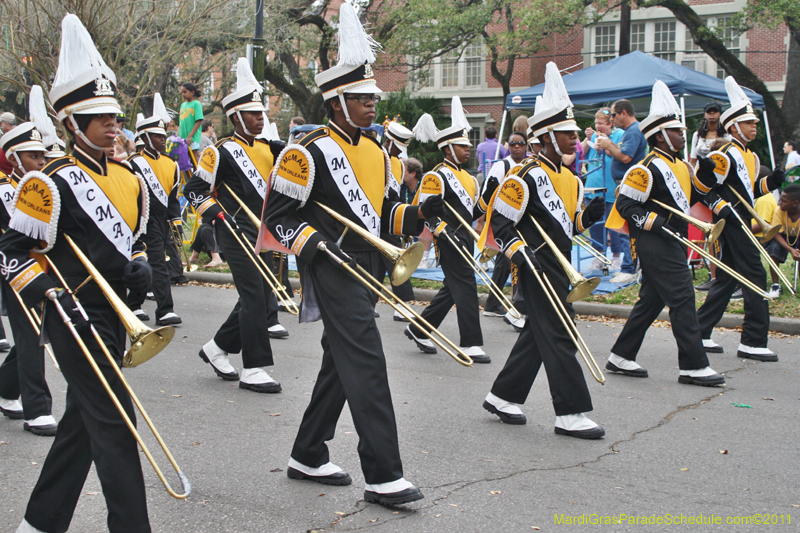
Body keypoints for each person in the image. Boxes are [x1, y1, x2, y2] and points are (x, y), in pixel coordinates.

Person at [262, 2, 441, 505]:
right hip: (331, 264)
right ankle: (383, 474)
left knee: (340, 362)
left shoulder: (380, 152)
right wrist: (313, 243)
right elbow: (278, 218)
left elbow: (384, 214)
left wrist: (420, 215)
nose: (372, 105)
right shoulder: (306, 151)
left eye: (372, 97)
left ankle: (307, 452)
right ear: (337, 102)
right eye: (362, 98)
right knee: (366, 360)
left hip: (368, 264)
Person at [5, 15, 154, 532]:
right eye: (99, 118)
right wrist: (49, 291)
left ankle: (40, 522)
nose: (112, 126)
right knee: (115, 421)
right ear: (72, 124)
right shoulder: (49, 182)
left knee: (83, 424)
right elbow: (12, 254)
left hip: (113, 315)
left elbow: (132, 241)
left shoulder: (130, 179)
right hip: (71, 315)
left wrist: (140, 266)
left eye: (114, 116)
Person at [480, 62, 606, 438]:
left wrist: (589, 217)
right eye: (567, 133)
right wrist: (518, 252)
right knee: (559, 333)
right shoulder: (524, 175)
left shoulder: (570, 178)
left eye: (574, 133)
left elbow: (567, 226)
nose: (574, 138)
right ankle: (570, 412)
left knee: (538, 335)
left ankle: (502, 396)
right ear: (548, 136)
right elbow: (500, 223)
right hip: (534, 267)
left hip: (559, 266)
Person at [604, 81, 725, 387]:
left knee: (651, 301)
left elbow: (690, 199)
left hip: (674, 240)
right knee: (683, 297)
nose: (683, 135)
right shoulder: (644, 168)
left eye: (682, 131)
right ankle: (693, 365)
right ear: (660, 135)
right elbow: (625, 204)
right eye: (677, 131)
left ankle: (620, 355)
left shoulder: (680, 165)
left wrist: (706, 175)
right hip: (654, 242)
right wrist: (653, 221)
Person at [185, 58, 288, 392]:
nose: (261, 119)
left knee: (257, 294)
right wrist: (216, 214)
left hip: (263, 232)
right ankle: (254, 368)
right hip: (234, 231)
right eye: (253, 114)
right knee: (255, 295)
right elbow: (194, 191)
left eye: (262, 114)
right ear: (236, 117)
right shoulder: (220, 152)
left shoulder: (270, 148)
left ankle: (216, 348)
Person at [697, 76, 785, 362]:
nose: (754, 126)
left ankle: (698, 331)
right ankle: (752, 341)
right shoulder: (725, 153)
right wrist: (720, 207)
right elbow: (702, 188)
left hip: (743, 219)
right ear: (734, 126)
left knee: (726, 279)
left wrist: (771, 182)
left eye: (755, 122)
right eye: (748, 123)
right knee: (756, 275)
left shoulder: (749, 154)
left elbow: (749, 191)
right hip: (732, 223)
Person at [408, 96, 490, 364]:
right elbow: (427, 214)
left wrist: (487, 197)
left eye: (468, 146)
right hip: (448, 239)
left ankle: (419, 329)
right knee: (466, 285)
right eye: (462, 146)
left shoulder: (469, 178)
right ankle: (471, 343)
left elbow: (471, 214)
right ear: (447, 148)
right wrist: (444, 233)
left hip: (464, 238)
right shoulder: (436, 175)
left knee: (453, 287)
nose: (468, 150)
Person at [0, 123, 57, 436]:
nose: (40, 162)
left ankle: (5, 388)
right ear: (14, 159)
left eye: (42, 156)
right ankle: (38, 410)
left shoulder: (41, 187)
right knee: (31, 333)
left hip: (41, 267)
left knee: (32, 334)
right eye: (33, 157)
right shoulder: (4, 189)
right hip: (14, 268)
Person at [126, 94, 183, 326]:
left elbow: (172, 197)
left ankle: (137, 305)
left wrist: (176, 220)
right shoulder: (132, 163)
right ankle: (161, 309)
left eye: (163, 136)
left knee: (156, 262)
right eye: (157, 136)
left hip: (162, 220)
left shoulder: (171, 164)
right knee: (152, 263)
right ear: (145, 138)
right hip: (141, 220)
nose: (162, 140)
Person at [596, 99, 648, 284]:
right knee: (625, 229)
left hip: (630, 187)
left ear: (623, 113)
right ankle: (630, 266)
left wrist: (608, 144)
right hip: (626, 186)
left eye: (613, 114)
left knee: (628, 230)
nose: (612, 118)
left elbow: (626, 157)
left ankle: (630, 268)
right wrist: (608, 146)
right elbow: (620, 154)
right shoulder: (630, 131)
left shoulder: (633, 131)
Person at [479, 130, 527, 318]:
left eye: (521, 143)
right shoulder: (502, 166)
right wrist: (482, 221)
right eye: (513, 143)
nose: (517, 147)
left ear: (526, 146)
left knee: (504, 262)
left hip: (520, 221)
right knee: (511, 260)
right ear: (508, 146)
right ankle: (517, 306)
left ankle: (493, 304)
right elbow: (487, 193)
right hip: (502, 221)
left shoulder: (528, 165)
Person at [380, 121, 417, 318]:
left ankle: (402, 304)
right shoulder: (377, 156)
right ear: (388, 141)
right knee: (385, 262)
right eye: (398, 146)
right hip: (376, 216)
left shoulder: (399, 164)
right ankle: (399, 303)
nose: (400, 151)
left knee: (393, 259)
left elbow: (399, 194)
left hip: (391, 217)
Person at [581, 108, 625, 271]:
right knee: (594, 224)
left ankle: (616, 257)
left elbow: (622, 155)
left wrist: (606, 147)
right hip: (593, 185)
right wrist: (588, 139)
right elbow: (581, 153)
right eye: (596, 123)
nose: (597, 126)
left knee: (613, 224)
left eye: (601, 123)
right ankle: (599, 256)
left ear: (610, 124)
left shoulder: (619, 134)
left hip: (611, 187)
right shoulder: (594, 136)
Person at [765, 184, 800, 296]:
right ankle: (775, 285)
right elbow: (776, 234)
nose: (780, 202)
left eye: (784, 201)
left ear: (795, 203)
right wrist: (791, 250)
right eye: (780, 199)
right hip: (783, 237)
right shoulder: (779, 211)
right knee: (774, 249)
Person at [689, 102, 730, 167]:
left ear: (720, 114)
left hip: (719, 169)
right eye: (708, 111)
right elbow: (693, 159)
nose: (712, 113)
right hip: (700, 170)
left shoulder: (727, 135)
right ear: (705, 115)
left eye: (715, 111)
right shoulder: (697, 135)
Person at [179, 82, 204, 163]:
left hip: (192, 137)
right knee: (184, 161)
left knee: (194, 158)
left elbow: (198, 121)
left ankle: (197, 171)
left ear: (192, 92)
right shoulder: (182, 105)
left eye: (185, 92)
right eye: (182, 92)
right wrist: (177, 135)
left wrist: (190, 136)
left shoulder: (196, 104)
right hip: (182, 138)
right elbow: (181, 122)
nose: (183, 94)